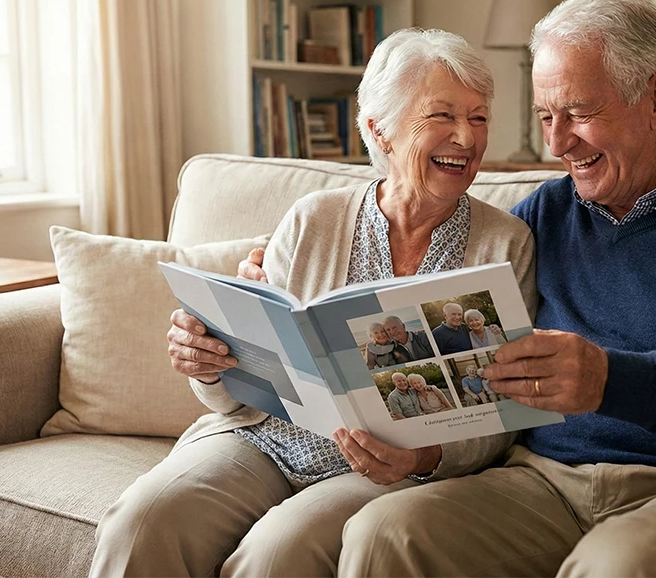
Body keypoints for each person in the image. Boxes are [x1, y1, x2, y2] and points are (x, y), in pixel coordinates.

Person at [338, 0, 656, 578]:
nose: (556, 144)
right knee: (385, 533)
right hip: (547, 484)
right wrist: (268, 262)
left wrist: (611, 380)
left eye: (577, 113)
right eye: (545, 117)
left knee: (617, 567)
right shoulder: (543, 216)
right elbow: (436, 282)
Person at [89, 28, 537, 578]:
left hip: (385, 467)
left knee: (278, 551)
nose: (466, 138)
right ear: (380, 129)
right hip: (262, 436)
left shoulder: (507, 244)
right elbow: (239, 390)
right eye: (442, 116)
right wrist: (208, 366)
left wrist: (423, 457)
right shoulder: (312, 219)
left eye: (478, 117)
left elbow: (505, 415)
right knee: (143, 519)